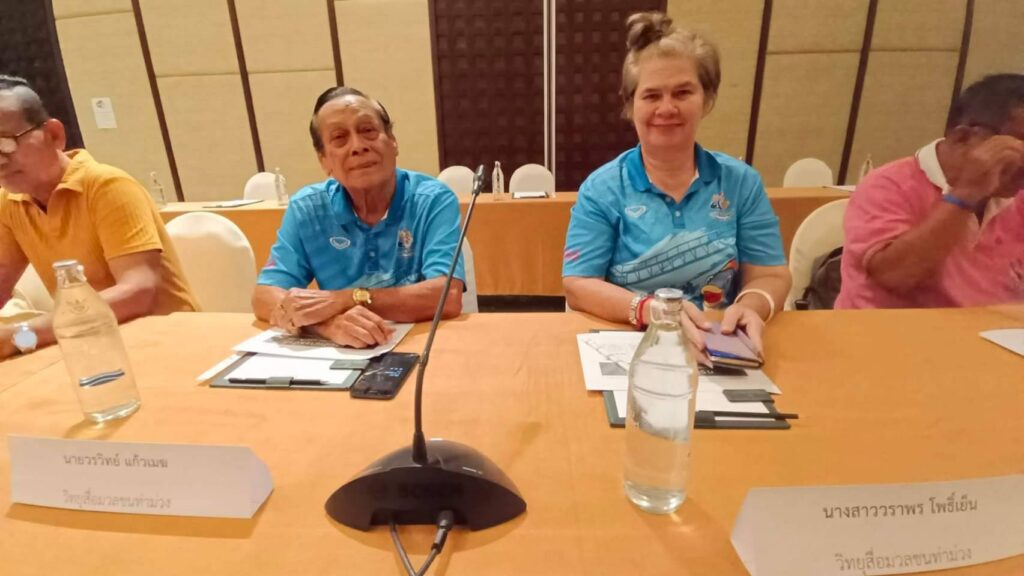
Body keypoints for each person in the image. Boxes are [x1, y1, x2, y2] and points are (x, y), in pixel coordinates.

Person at [562, 13, 791, 355]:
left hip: (720, 344)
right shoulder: (602, 189)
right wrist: (649, 310)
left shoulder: (741, 183)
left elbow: (771, 274)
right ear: (630, 105)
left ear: (706, 99)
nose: (667, 108)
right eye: (651, 95)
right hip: (632, 344)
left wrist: (751, 307)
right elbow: (578, 283)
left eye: (682, 92)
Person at [0, 75, 197, 359]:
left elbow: (138, 291)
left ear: (53, 135)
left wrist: (22, 335)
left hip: (167, 343)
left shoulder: (107, 186)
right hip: (91, 347)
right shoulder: (11, 203)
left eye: (6, 143)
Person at [251, 87, 464, 348]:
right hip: (341, 351)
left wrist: (345, 299)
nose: (358, 146)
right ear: (323, 160)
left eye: (368, 130)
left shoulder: (432, 199)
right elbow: (264, 296)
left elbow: (448, 296)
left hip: (421, 345)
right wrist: (327, 325)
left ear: (393, 141)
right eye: (339, 138)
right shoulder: (307, 209)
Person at [836, 74, 1024, 309]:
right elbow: (895, 276)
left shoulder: (1017, 197)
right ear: (962, 138)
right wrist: (966, 194)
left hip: (996, 328)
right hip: (892, 329)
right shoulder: (888, 185)